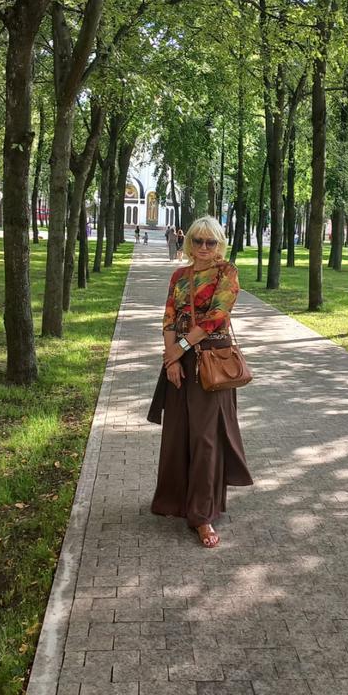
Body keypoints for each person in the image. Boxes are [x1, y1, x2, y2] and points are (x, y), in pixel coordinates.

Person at [149, 215, 252, 548]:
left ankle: (202, 514)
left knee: (206, 439)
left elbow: (215, 318)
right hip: (180, 359)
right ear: (189, 242)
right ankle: (175, 501)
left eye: (211, 241)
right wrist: (171, 360)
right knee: (178, 432)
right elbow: (168, 319)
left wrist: (177, 350)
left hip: (211, 362)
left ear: (219, 244)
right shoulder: (179, 276)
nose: (204, 247)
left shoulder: (227, 273)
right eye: (198, 241)